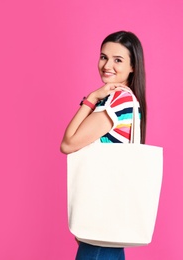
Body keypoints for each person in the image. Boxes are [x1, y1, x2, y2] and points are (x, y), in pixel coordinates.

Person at [60, 31, 147, 260]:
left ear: (133, 67)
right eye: (103, 57)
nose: (107, 65)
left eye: (118, 60)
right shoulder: (118, 99)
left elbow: (68, 143)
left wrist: (91, 98)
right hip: (108, 222)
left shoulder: (120, 100)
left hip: (102, 223)